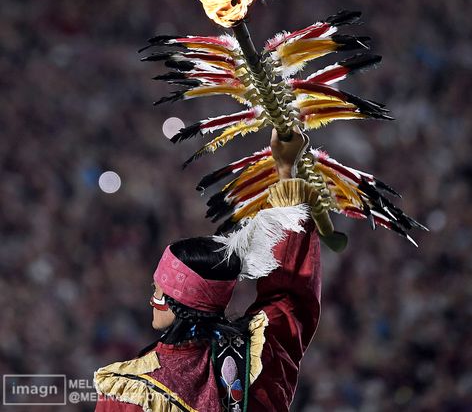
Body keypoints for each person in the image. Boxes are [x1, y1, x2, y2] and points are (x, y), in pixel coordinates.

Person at [94, 129, 322, 411]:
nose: (151, 299)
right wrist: (287, 171)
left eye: (158, 290)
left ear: (178, 304)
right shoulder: (260, 353)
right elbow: (291, 296)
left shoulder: (128, 393)